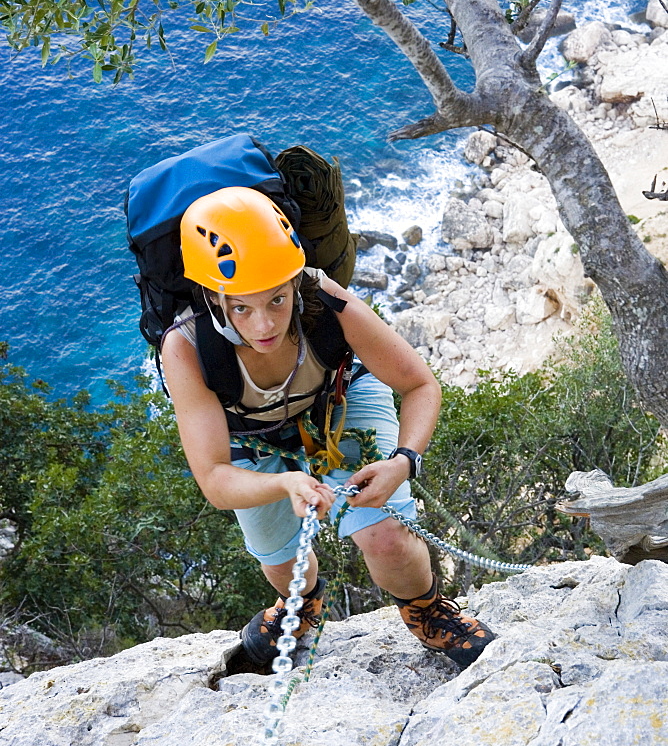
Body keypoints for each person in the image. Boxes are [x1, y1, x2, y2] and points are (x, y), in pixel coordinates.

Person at [161, 185, 496, 669]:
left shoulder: (324, 301)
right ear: (213, 298)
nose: (263, 325)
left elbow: (420, 384)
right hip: (249, 440)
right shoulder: (187, 346)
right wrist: (285, 483)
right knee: (279, 557)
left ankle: (427, 613)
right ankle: (303, 604)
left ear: (296, 282)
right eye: (242, 308)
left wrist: (403, 462)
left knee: (385, 536)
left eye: (278, 300)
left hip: (336, 405)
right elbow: (213, 477)